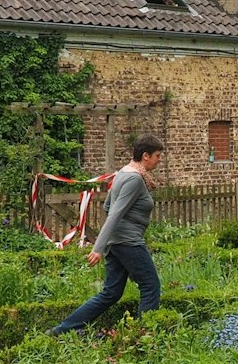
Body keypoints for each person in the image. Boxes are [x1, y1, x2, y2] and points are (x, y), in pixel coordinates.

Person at [50, 136, 165, 334]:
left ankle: (62, 329)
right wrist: (98, 247)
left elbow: (107, 206)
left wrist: (108, 241)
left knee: (111, 293)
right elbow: (115, 213)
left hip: (117, 242)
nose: (159, 160)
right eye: (157, 156)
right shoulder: (134, 179)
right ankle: (146, 336)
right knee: (150, 286)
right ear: (145, 156)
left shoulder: (123, 173)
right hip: (128, 242)